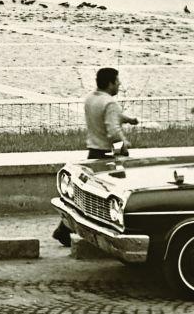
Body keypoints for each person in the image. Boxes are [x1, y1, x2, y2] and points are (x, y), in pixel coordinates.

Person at [53, 67, 139, 246]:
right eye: (117, 81)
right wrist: (124, 146)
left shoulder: (92, 99)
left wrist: (128, 119)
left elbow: (108, 117)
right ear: (109, 83)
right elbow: (113, 130)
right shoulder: (110, 103)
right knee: (113, 196)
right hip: (108, 155)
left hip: (93, 151)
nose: (119, 84)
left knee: (86, 194)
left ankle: (63, 229)